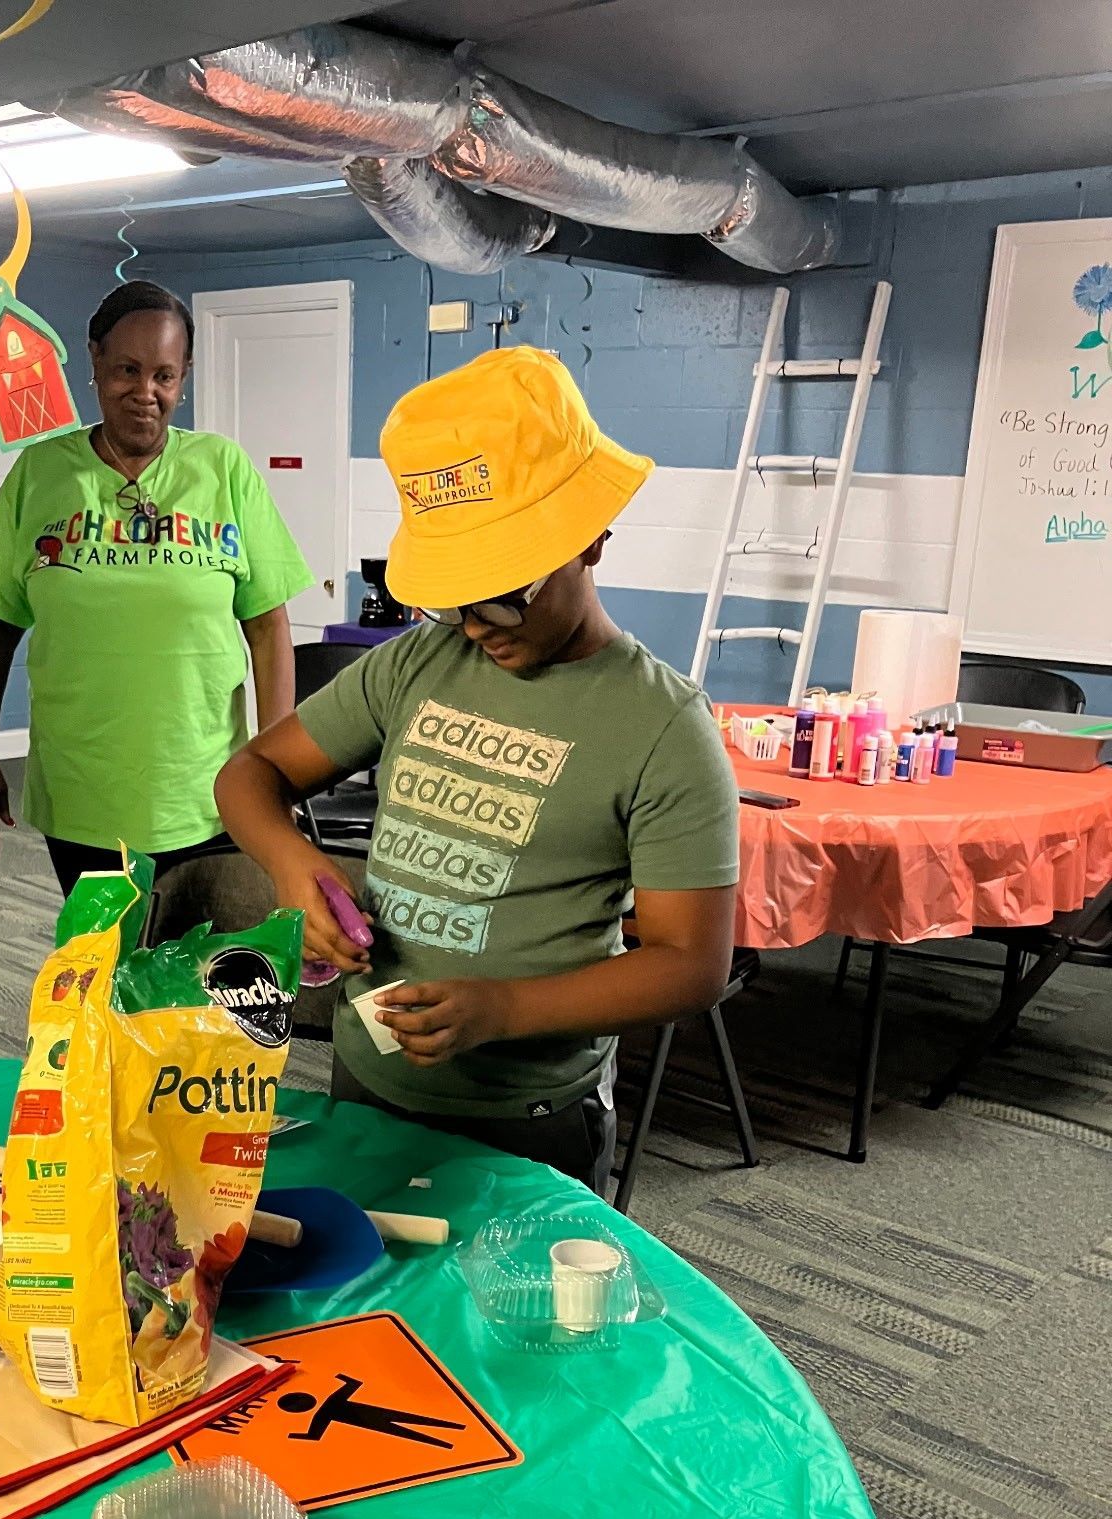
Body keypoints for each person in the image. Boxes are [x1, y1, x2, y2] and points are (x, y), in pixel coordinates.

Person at [215, 346, 740, 1193]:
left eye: (503, 592)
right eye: (453, 597)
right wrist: (291, 862)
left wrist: (507, 1010)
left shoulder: (664, 728)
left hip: (530, 1118)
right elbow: (252, 772)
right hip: (369, 1079)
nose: (475, 625)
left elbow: (691, 964)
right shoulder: (417, 664)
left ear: (591, 539)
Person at [0, 280, 312, 895]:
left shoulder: (224, 470)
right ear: (94, 361)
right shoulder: (40, 475)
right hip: (82, 790)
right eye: (127, 369)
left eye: (164, 376)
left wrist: (276, 768)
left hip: (209, 790)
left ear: (184, 378)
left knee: (207, 951)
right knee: (107, 951)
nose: (146, 392)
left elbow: (267, 626)